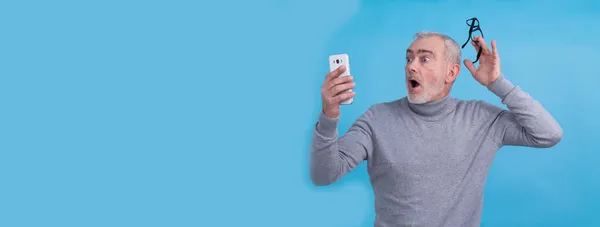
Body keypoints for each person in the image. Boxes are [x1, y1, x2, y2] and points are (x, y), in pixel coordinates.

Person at [309, 31, 563, 227]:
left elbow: (548, 133)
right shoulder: (377, 118)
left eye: (425, 58)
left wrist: (498, 84)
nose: (411, 66)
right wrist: (329, 116)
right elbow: (324, 175)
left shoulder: (481, 118)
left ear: (451, 73)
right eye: (409, 58)